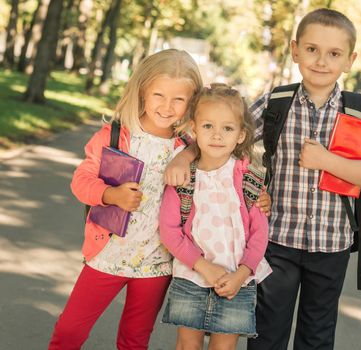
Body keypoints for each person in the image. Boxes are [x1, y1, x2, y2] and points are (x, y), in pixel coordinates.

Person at [246, 8, 361, 350]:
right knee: (267, 330)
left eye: (334, 53)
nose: (321, 61)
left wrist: (327, 160)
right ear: (295, 50)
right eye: (312, 49)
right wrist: (247, 190)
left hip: (332, 243)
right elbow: (227, 144)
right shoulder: (275, 102)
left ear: (350, 60)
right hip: (277, 239)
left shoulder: (357, 111)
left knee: (318, 334)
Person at [48, 49, 203, 350]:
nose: (167, 107)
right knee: (69, 331)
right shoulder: (116, 135)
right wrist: (111, 194)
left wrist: (190, 153)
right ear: (142, 89)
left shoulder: (187, 148)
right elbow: (81, 182)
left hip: (156, 263)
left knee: (134, 340)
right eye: (158, 94)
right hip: (107, 256)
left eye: (179, 99)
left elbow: (227, 178)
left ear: (192, 102)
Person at [159, 84, 272, 350]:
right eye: (208, 126)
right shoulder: (184, 177)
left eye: (228, 128)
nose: (217, 135)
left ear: (241, 134)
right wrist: (203, 266)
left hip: (237, 279)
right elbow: (169, 231)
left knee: (224, 346)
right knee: (188, 344)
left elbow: (260, 234)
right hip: (192, 276)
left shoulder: (249, 179)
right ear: (194, 129)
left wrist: (242, 273)